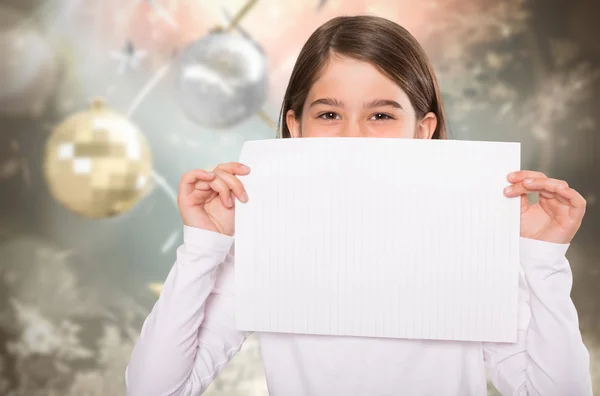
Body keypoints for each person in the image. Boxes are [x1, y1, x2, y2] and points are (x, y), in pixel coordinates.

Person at [125, 15, 593, 396]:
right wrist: (205, 246)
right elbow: (156, 390)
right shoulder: (259, 246)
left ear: (423, 129)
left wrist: (543, 261)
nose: (352, 136)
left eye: (382, 115)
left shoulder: (471, 241)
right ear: (295, 126)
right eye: (329, 114)